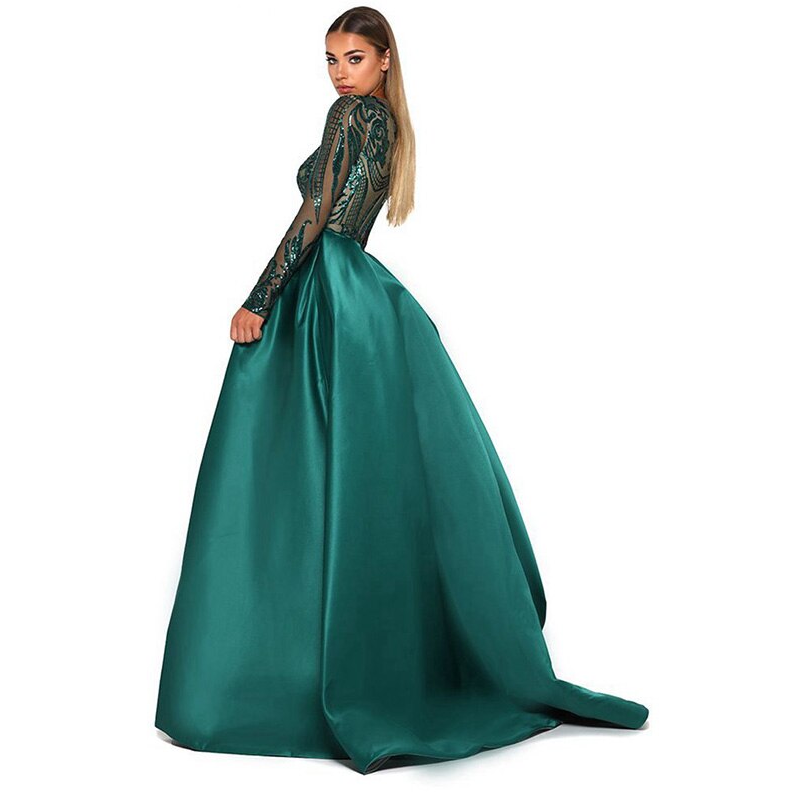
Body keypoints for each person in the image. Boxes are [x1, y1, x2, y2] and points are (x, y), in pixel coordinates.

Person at [154, 6, 649, 775]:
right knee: (358, 476)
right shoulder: (389, 124)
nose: (339, 73)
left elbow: (315, 214)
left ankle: (278, 671)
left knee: (292, 470)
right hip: (363, 300)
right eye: (330, 60)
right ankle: (371, 660)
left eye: (353, 57)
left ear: (385, 59)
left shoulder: (352, 116)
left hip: (324, 292)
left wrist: (258, 298)